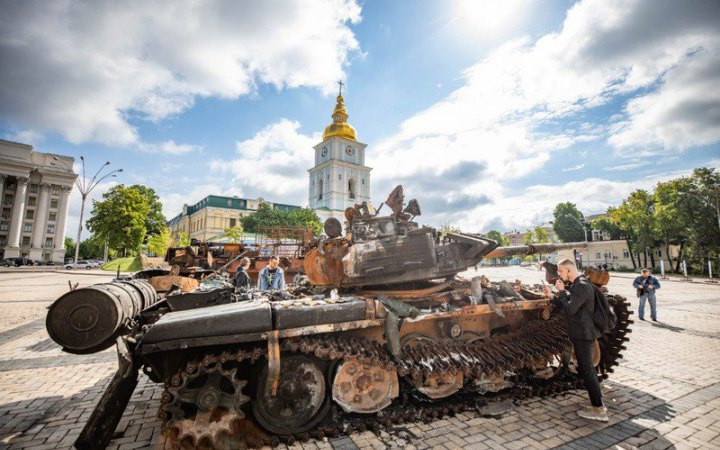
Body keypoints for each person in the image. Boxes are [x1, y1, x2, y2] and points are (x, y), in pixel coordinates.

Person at [543, 258, 608, 422]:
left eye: (560, 271)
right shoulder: (580, 284)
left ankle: (599, 410)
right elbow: (571, 303)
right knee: (588, 370)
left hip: (583, 334)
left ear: (569, 270)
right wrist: (553, 295)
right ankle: (598, 405)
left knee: (587, 370)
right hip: (581, 333)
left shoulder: (582, 286)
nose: (559, 274)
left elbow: (571, 308)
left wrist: (562, 291)